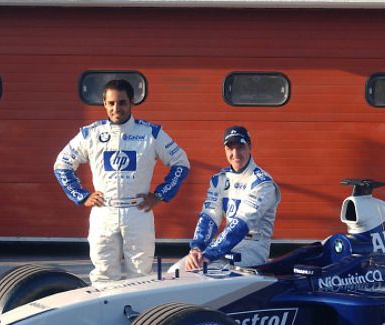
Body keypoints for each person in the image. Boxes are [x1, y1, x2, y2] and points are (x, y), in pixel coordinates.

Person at [54, 79, 190, 283]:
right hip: (104, 212)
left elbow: (181, 163)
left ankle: (139, 315)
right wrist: (82, 196)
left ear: (131, 102)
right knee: (103, 275)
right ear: (104, 104)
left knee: (140, 276)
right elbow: (62, 164)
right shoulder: (91, 133)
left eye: (122, 102)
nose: (116, 108)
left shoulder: (150, 133)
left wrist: (160, 195)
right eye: (111, 103)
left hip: (138, 212)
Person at [173, 125, 280, 272]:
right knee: (176, 270)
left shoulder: (263, 183)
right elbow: (209, 217)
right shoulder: (219, 179)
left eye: (240, 147)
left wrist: (210, 254)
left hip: (253, 248)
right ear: (225, 150)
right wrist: (197, 249)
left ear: (249, 147)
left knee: (205, 271)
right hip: (225, 246)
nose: (235, 154)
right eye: (230, 148)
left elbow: (241, 224)